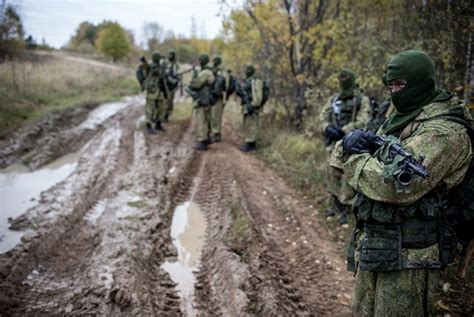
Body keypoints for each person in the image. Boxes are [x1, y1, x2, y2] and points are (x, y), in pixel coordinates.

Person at [330, 50, 472, 315]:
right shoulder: (401, 119)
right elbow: (349, 155)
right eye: (391, 85)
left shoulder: (444, 132)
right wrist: (350, 146)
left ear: (422, 82)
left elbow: (393, 187)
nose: (395, 91)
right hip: (378, 244)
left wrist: (351, 157)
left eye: (401, 85)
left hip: (412, 258)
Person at [318, 68, 371, 224]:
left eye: (346, 78)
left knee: (347, 179)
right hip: (332, 145)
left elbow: (364, 121)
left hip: (351, 145)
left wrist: (344, 130)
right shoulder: (334, 99)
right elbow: (322, 116)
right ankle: (335, 206)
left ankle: (346, 211)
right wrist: (326, 128)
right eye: (341, 78)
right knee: (331, 176)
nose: (343, 81)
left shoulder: (361, 99)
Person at [188, 54, 215, 151]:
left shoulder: (205, 72)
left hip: (203, 99)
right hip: (207, 99)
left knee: (201, 120)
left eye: (200, 59)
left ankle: (202, 142)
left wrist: (194, 76)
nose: (198, 61)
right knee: (206, 120)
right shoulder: (208, 71)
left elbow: (196, 84)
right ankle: (206, 138)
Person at [138, 51, 168, 134]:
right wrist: (144, 61)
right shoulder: (150, 66)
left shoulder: (161, 66)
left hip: (160, 91)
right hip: (152, 91)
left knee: (161, 109)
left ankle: (158, 124)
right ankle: (148, 126)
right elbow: (145, 67)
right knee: (149, 109)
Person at [237, 65, 264, 152]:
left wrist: (253, 105)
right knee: (248, 124)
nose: (246, 72)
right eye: (246, 70)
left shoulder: (256, 81)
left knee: (252, 125)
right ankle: (249, 143)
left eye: (248, 70)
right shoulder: (249, 81)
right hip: (248, 106)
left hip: (253, 107)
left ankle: (250, 145)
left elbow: (258, 97)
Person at [209, 55, 230, 143]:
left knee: (216, 116)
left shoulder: (222, 72)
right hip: (213, 96)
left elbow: (227, 86)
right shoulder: (215, 70)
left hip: (218, 97)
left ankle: (216, 134)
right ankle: (214, 133)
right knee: (213, 115)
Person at [164, 49, 180, 122]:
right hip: (165, 85)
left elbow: (179, 75)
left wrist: (177, 83)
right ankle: (163, 115)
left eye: (171, 55)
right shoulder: (165, 64)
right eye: (169, 55)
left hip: (172, 86)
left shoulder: (176, 65)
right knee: (165, 101)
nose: (170, 57)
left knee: (170, 101)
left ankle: (167, 115)